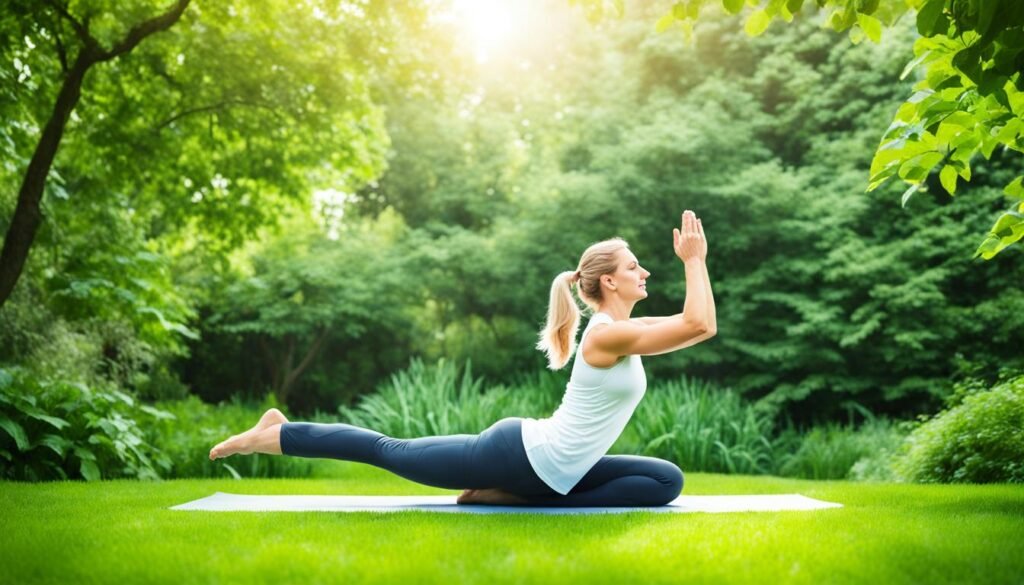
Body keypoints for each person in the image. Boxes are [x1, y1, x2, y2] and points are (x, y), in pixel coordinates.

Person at [209, 210, 716, 507]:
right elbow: (699, 324)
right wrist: (694, 260)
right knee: (390, 450)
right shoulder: (606, 336)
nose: (646, 271)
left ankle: (515, 497)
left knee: (665, 480)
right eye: (634, 266)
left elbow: (695, 325)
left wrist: (695, 265)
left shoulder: (626, 330)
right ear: (609, 281)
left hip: (556, 465)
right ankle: (276, 434)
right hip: (521, 454)